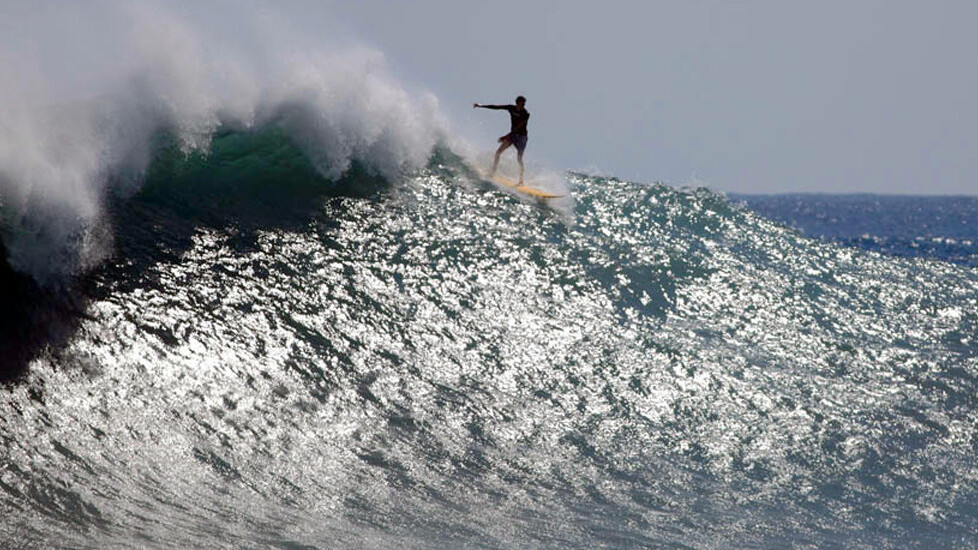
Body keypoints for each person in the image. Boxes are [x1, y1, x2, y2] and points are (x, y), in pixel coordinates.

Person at [473, 95, 529, 185]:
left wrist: (506, 136)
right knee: (498, 152)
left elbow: (519, 128)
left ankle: (521, 181)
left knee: (519, 158)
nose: (523, 106)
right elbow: (496, 107)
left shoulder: (526, 114)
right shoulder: (511, 108)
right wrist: (481, 106)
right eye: (521, 104)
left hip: (521, 137)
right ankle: (493, 172)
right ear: (517, 103)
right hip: (512, 135)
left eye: (524, 104)